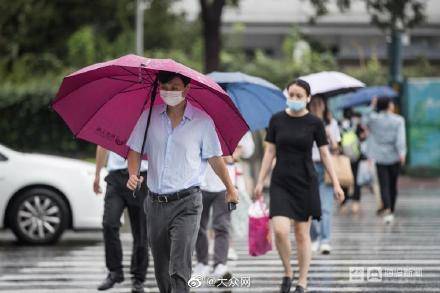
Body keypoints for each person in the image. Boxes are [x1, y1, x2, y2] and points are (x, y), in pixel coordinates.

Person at [125, 71, 239, 293]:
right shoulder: (148, 118)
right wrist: (132, 174)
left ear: (187, 89)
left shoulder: (202, 122)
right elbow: (135, 150)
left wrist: (230, 188)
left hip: (188, 202)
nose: (169, 91)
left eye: (175, 87)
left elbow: (215, 159)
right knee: (161, 266)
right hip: (156, 203)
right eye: (165, 86)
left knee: (179, 265)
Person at [254, 79, 344, 293]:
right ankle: (288, 271)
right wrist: (260, 181)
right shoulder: (276, 120)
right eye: (291, 95)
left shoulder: (315, 123)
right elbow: (269, 152)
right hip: (281, 181)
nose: (294, 99)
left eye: (299, 96)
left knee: (302, 234)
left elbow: (325, 153)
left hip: (305, 181)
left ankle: (302, 281)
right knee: (280, 231)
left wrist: (337, 184)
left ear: (308, 98)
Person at [93, 147, 149, 292]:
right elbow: (102, 145)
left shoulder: (148, 123)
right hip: (116, 178)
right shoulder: (114, 123)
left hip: (141, 177)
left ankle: (138, 278)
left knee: (141, 231)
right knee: (109, 223)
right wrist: (97, 174)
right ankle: (115, 271)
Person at [364, 97, 406, 224]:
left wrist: (372, 105)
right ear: (389, 105)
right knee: (393, 184)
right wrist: (402, 153)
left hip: (379, 156)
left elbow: (364, 119)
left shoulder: (374, 119)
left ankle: (386, 208)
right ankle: (391, 208)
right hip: (394, 156)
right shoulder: (398, 120)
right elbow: (400, 138)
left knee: (384, 184)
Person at [308, 96, 341, 255]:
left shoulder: (332, 123)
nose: (316, 106)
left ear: (324, 106)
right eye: (313, 103)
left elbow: (336, 149)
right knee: (311, 206)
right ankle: (314, 238)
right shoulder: (304, 122)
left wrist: (329, 135)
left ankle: (325, 240)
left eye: (319, 103)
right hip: (308, 166)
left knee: (325, 207)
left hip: (326, 168)